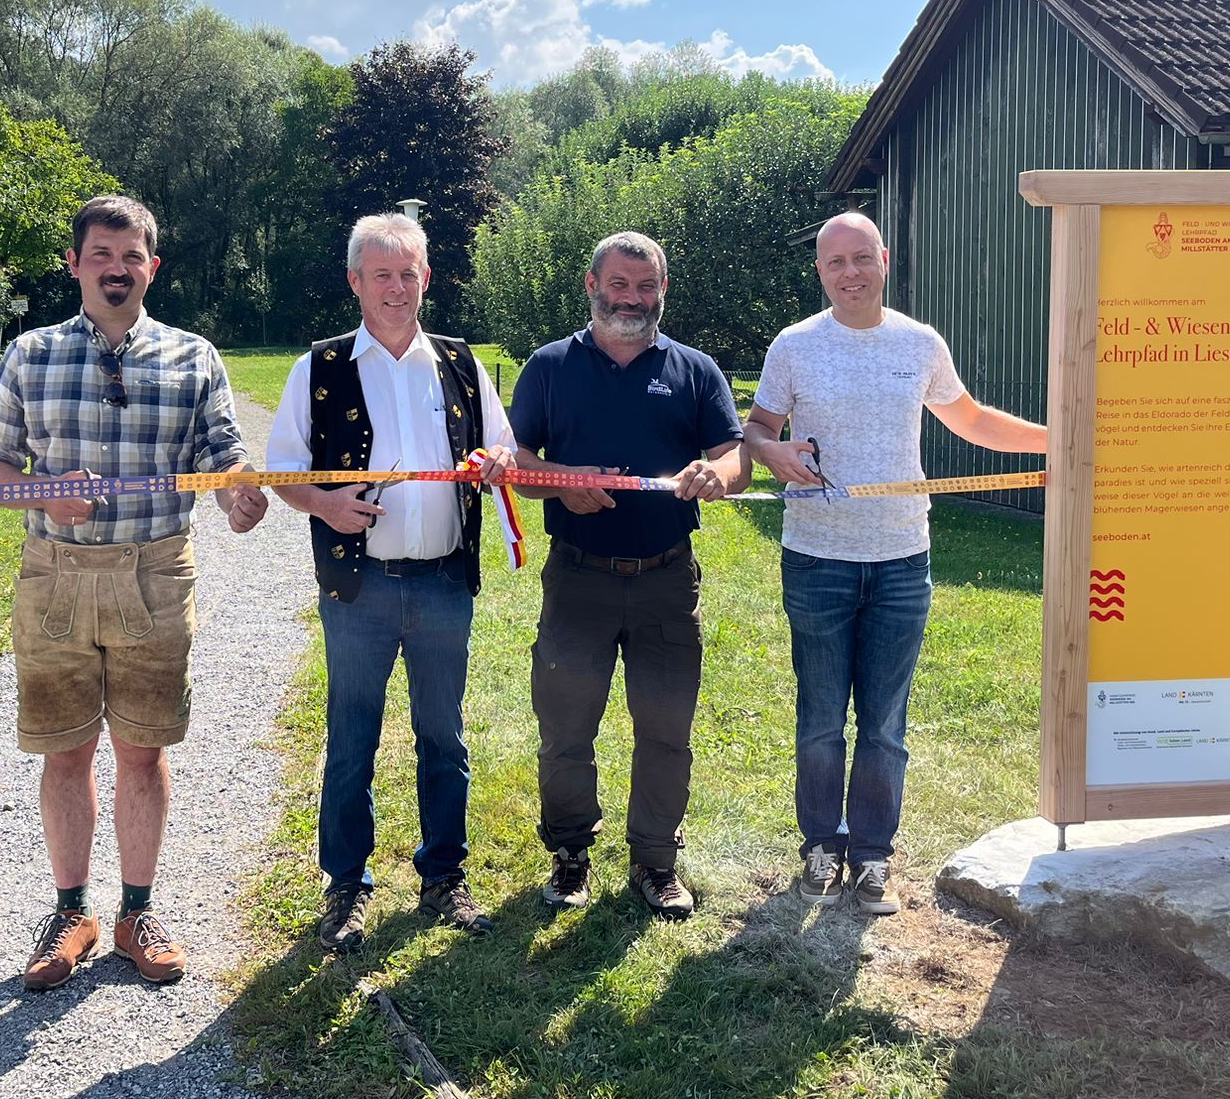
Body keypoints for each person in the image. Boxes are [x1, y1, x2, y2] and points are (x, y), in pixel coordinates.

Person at [0, 194, 268, 993]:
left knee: (144, 748)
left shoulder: (194, 356)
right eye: (100, 254)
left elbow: (224, 455)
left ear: (152, 268)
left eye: (131, 256)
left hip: (155, 573)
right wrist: (38, 492)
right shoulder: (29, 355)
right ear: (74, 264)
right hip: (55, 574)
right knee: (65, 750)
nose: (116, 268)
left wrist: (240, 493)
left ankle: (137, 910)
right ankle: (71, 911)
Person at [745, 212, 1047, 915]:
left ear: (884, 259)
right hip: (817, 558)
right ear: (819, 273)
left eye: (860, 258)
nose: (849, 273)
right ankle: (822, 845)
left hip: (902, 562)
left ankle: (874, 855)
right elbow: (757, 427)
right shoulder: (794, 346)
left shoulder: (920, 342)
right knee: (821, 718)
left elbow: (969, 418)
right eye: (833, 264)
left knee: (885, 723)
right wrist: (773, 451)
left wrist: (1055, 440)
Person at [266, 213, 516, 954]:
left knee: (444, 736)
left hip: (443, 582)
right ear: (356, 282)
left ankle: (444, 876)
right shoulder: (321, 366)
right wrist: (325, 502)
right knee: (352, 738)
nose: (397, 288)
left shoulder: (460, 363)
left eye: (409, 274)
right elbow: (285, 470)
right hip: (360, 588)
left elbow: (499, 448)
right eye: (382, 275)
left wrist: (498, 464)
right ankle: (346, 886)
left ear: (426, 279)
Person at [508, 231, 746, 920]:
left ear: (662, 291)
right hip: (578, 578)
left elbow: (735, 456)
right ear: (591, 285)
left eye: (646, 287)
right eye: (620, 284)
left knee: (666, 728)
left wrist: (717, 473)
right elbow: (517, 465)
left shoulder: (694, 369)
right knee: (566, 727)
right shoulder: (551, 366)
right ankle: (571, 855)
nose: (633, 299)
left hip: (667, 580)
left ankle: (655, 862)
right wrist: (560, 482)